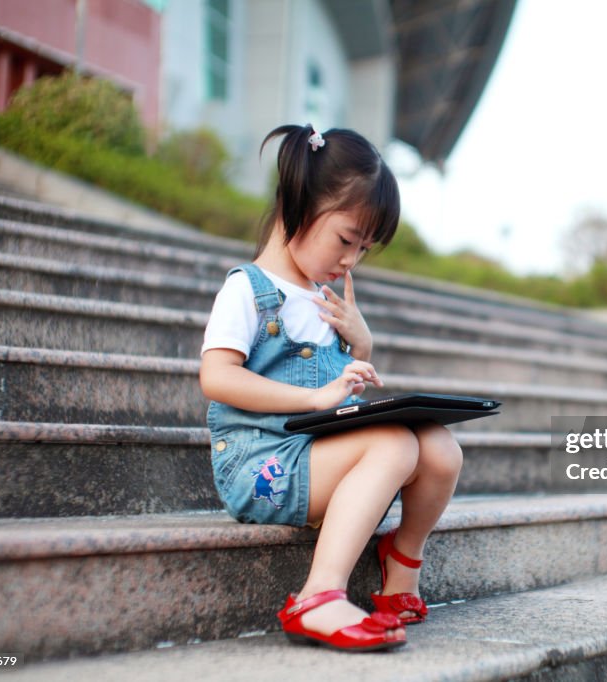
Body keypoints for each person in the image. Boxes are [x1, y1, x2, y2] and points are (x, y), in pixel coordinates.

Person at [199, 124, 463, 652]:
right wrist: (314, 398)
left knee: (438, 446)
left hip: (314, 457)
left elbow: (339, 398)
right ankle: (318, 596)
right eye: (346, 240)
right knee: (394, 442)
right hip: (262, 467)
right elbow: (217, 378)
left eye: (364, 250)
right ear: (297, 202)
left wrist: (359, 350)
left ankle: (401, 562)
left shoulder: (326, 302)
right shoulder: (247, 290)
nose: (350, 262)